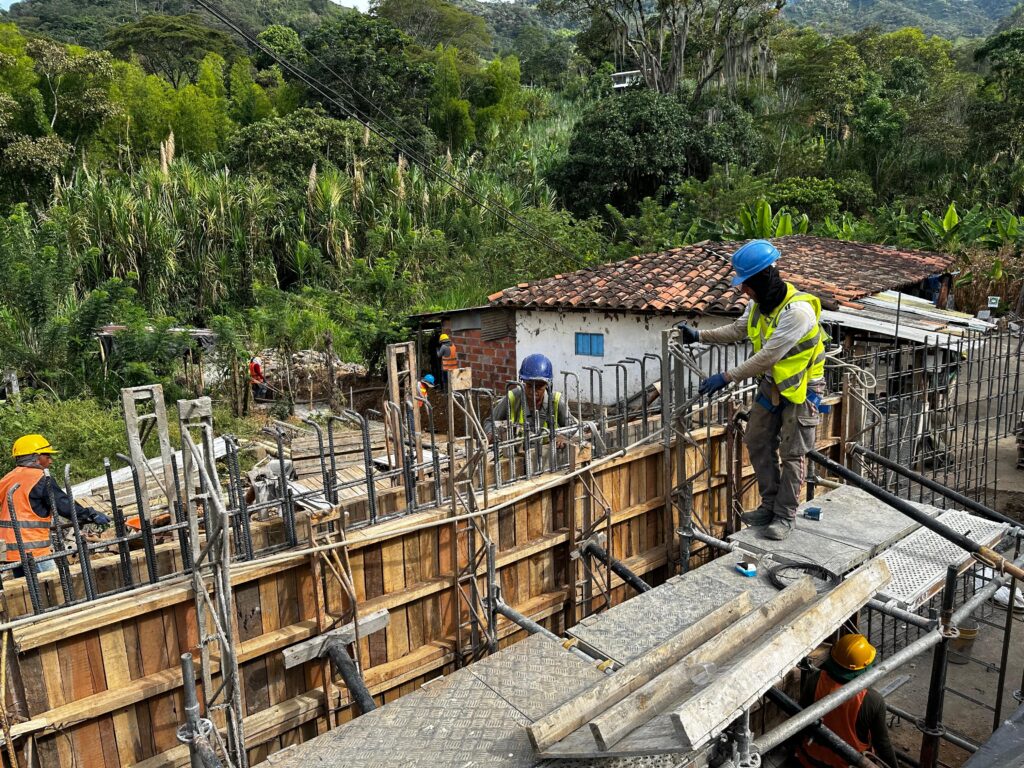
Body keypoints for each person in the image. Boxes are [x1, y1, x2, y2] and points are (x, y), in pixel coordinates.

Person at [677, 239, 827, 541]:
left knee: (792, 453)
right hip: (774, 386)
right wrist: (699, 336)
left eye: (746, 284)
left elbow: (768, 356)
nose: (743, 290)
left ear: (763, 279)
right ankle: (769, 505)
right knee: (757, 439)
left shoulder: (797, 312)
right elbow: (737, 330)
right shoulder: (757, 306)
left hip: (803, 389)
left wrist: (727, 376)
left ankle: (785, 516)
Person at [0, 435, 110, 577]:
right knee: (53, 586)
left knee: (27, 592)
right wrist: (91, 514)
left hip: (11, 551)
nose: (51, 461)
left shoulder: (8, 478)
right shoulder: (39, 477)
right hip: (34, 549)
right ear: (36, 456)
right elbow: (63, 505)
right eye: (47, 456)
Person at [797, 634, 898, 768]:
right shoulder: (872, 700)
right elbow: (882, 744)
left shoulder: (816, 679)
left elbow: (799, 721)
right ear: (865, 668)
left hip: (810, 760)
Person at [486, 354, 575, 446]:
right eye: (529, 385)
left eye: (539, 386)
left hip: (548, 454)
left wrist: (563, 436)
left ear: (547, 385)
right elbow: (489, 421)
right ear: (523, 382)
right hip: (518, 454)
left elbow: (574, 426)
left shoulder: (556, 401)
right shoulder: (512, 398)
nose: (533, 391)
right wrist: (491, 433)